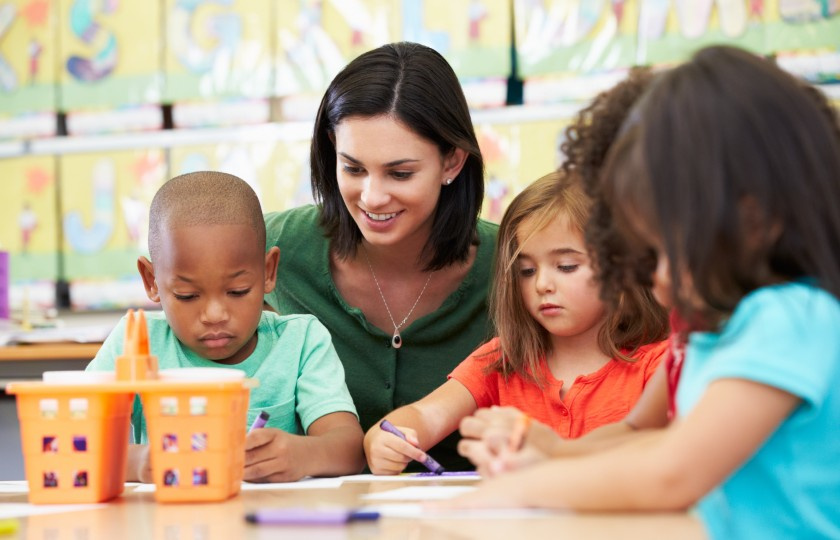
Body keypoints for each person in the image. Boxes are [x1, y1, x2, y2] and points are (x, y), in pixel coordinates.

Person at [446, 46, 840, 539]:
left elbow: (673, 471)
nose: (653, 280)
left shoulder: (790, 318)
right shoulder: (715, 332)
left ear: (754, 219)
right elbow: (650, 440)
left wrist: (530, 487)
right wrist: (551, 454)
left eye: (662, 252)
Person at [263, 42, 498, 470]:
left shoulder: (515, 263)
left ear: (453, 162)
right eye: (352, 168)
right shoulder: (274, 246)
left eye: (400, 173)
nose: (371, 196)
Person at [364, 171, 668, 474]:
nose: (542, 285)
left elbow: (664, 458)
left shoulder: (660, 364)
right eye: (526, 271)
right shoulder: (502, 359)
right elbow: (424, 416)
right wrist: (384, 439)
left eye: (566, 266)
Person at [457, 67, 671, 473]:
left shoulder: (778, 324)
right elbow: (634, 430)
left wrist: (537, 471)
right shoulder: (692, 338)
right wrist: (547, 451)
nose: (634, 264)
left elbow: (673, 472)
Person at [87, 171, 364, 483]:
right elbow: (75, 443)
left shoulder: (301, 341)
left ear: (268, 271)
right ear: (152, 281)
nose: (215, 314)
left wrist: (302, 455)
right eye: (187, 296)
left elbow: (350, 448)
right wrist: (137, 462)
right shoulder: (135, 343)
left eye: (237, 291)